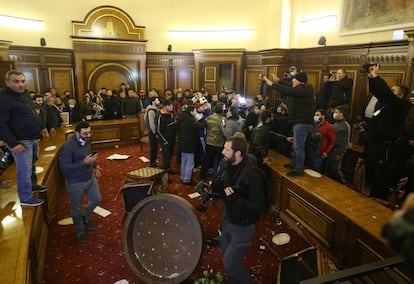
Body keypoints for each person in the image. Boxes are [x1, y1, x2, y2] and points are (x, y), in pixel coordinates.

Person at [212, 135, 269, 284]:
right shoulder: (226, 165)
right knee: (225, 256)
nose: (223, 152)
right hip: (228, 221)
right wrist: (216, 187)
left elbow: (261, 207)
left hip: (243, 226)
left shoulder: (252, 174)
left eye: (227, 149)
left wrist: (236, 200)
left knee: (230, 264)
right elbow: (224, 187)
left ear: (238, 153)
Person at [0, 70, 48, 206]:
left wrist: (42, 127)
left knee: (32, 164)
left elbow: (32, 113)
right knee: (24, 170)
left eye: (22, 81)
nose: (20, 84)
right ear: (7, 82)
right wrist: (13, 143)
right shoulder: (3, 98)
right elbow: (1, 123)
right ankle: (26, 197)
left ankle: (32, 185)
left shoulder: (24, 94)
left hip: (32, 137)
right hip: (20, 140)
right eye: (16, 81)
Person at [263, 71, 314, 176]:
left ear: (299, 81)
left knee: (298, 146)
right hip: (299, 122)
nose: (292, 81)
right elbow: (289, 85)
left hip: (302, 122)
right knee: (296, 146)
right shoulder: (302, 88)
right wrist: (279, 80)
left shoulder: (304, 89)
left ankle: (298, 169)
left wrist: (272, 84)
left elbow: (288, 89)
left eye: (294, 79)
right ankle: (295, 164)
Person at [59, 121, 102, 246]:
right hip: (75, 182)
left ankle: (85, 217)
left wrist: (95, 165)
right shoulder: (67, 147)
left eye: (90, 132)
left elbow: (88, 156)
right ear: (76, 133)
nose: (88, 135)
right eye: (85, 133)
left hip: (89, 177)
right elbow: (64, 168)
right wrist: (84, 163)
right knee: (76, 210)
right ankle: (80, 232)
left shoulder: (87, 140)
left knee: (97, 200)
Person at [326, 106, 350, 184]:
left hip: (337, 150)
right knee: (330, 168)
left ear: (341, 114)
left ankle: (343, 184)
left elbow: (345, 142)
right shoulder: (337, 123)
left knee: (335, 169)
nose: (334, 114)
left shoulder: (345, 125)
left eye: (336, 112)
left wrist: (340, 153)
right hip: (332, 148)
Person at [156, 99, 177, 172]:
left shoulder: (171, 114)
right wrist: (164, 141)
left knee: (171, 155)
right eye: (170, 105)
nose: (172, 107)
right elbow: (158, 130)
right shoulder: (160, 116)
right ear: (165, 106)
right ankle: (164, 174)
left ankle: (168, 169)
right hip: (165, 140)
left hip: (172, 138)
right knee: (166, 156)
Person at [144, 96, 161, 167]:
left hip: (154, 131)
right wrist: (155, 132)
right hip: (152, 131)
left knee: (155, 146)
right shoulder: (151, 111)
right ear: (153, 102)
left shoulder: (156, 109)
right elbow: (152, 123)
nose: (159, 101)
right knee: (153, 147)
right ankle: (152, 162)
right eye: (157, 100)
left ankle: (154, 160)